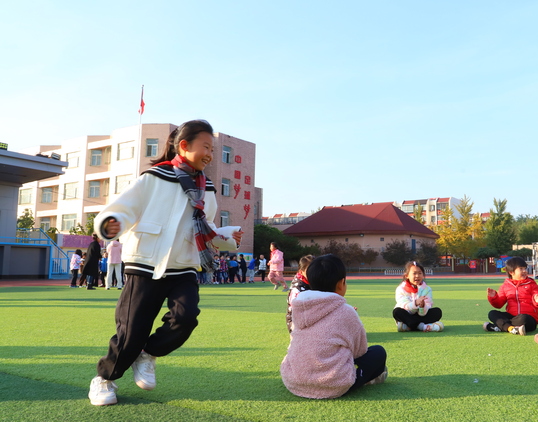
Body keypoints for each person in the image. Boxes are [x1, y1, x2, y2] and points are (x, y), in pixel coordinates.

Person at [87, 120, 243, 406]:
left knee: (185, 317)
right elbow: (124, 208)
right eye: (205, 147)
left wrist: (226, 237)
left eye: (212, 148)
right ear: (184, 146)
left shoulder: (206, 186)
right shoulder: (155, 177)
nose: (210, 153)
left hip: (183, 264)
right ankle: (104, 379)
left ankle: (148, 354)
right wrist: (112, 223)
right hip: (145, 264)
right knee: (131, 333)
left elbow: (203, 225)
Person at [280, 254, 387, 399]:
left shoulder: (299, 306)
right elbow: (360, 351)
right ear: (341, 283)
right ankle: (370, 377)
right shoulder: (346, 311)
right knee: (378, 352)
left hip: (293, 380)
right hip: (332, 384)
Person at [483, 257, 538, 335]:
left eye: (525, 268)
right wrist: (493, 297)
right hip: (512, 317)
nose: (524, 271)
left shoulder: (531, 284)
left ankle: (499, 327)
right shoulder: (505, 286)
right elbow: (499, 304)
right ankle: (511, 329)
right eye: (521, 269)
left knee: (523, 318)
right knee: (492, 313)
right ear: (511, 272)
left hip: (528, 319)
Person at [393, 261, 444, 332]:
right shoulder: (401, 289)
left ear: (423, 275)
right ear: (406, 275)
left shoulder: (427, 289)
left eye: (420, 273)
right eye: (414, 273)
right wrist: (415, 303)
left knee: (437, 312)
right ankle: (423, 327)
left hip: (420, 316)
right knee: (397, 312)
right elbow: (403, 305)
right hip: (407, 315)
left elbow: (426, 308)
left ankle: (408, 326)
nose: (417, 276)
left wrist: (422, 306)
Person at [286, 254, 315, 332]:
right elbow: (296, 312)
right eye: (310, 271)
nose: (314, 273)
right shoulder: (298, 289)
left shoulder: (310, 282)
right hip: (297, 324)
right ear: (301, 271)